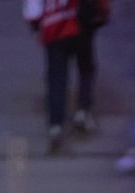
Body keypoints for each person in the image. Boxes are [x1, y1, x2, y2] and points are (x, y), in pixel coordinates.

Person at [24, 0, 102, 150]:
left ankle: (56, 127)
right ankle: (83, 111)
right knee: (86, 69)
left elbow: (32, 11)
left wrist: (36, 25)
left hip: (55, 27)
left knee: (57, 78)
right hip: (81, 23)